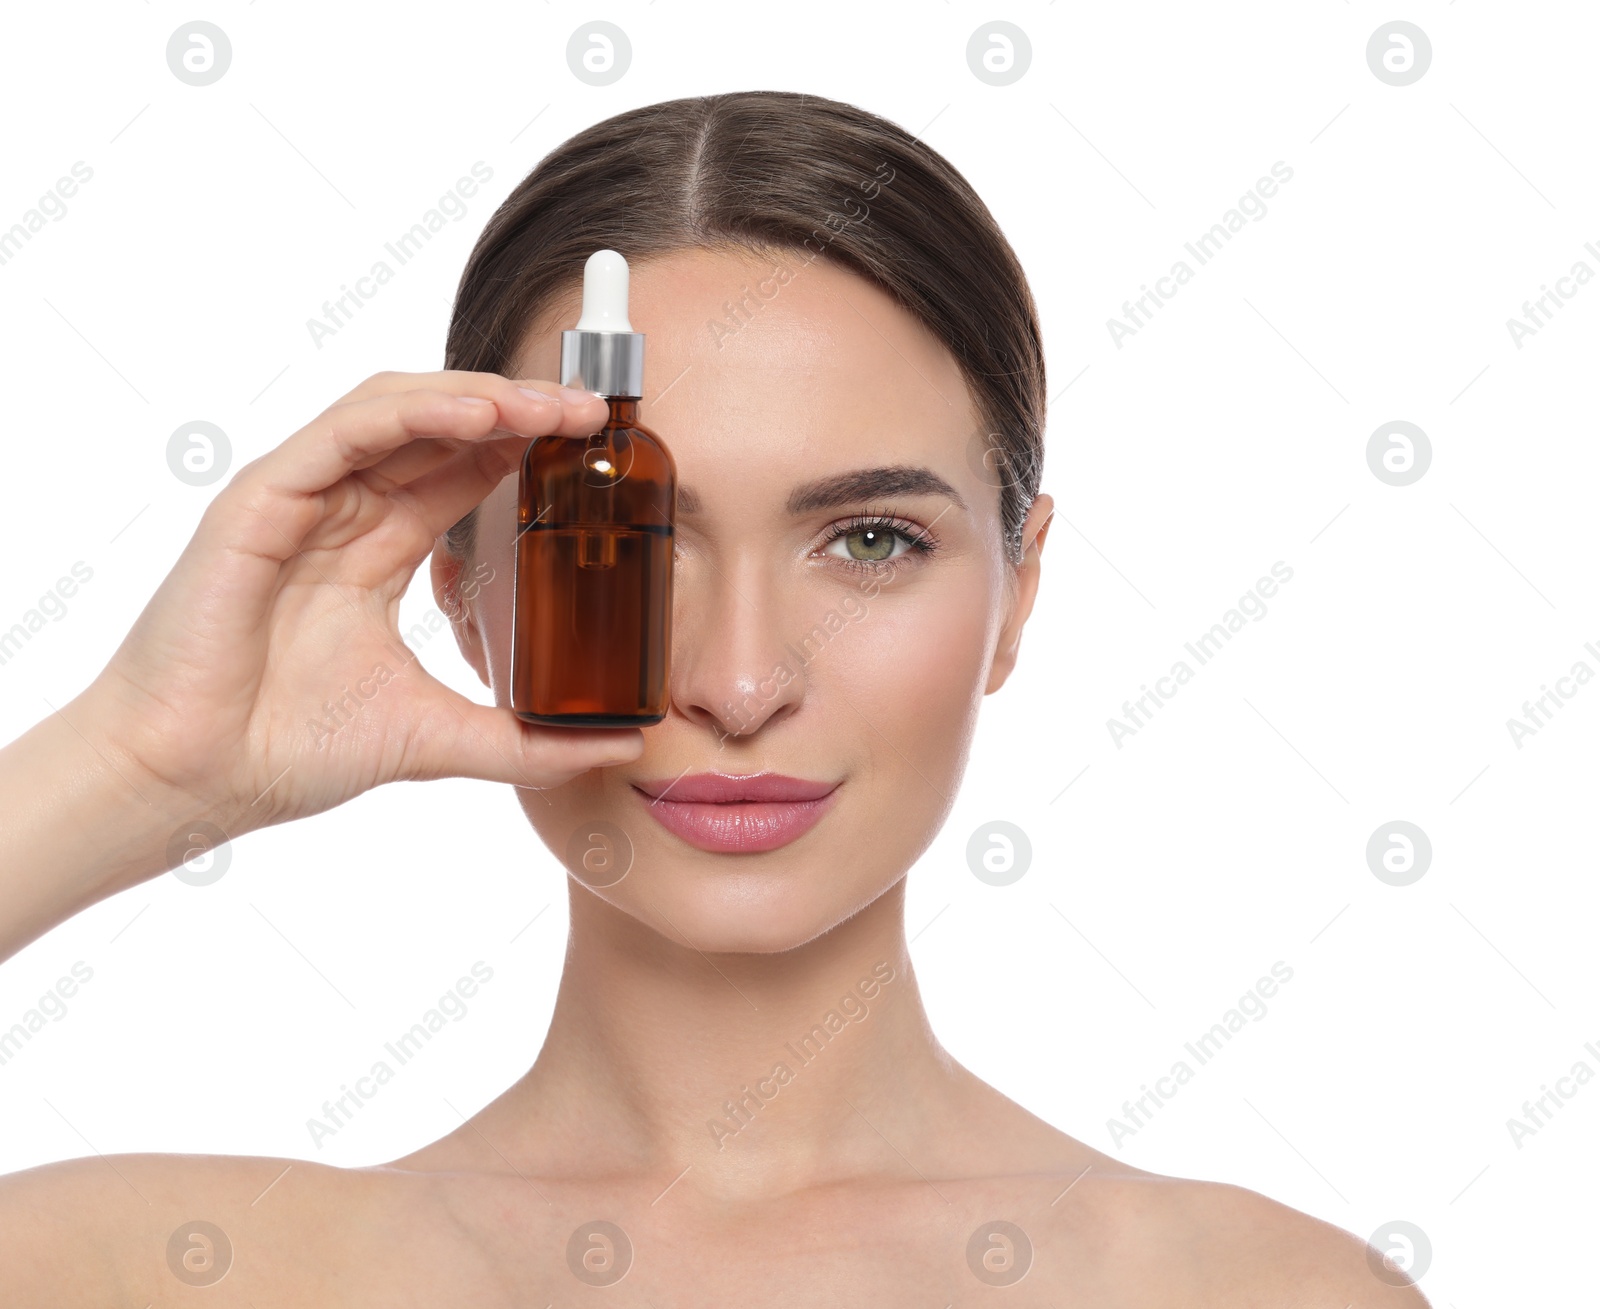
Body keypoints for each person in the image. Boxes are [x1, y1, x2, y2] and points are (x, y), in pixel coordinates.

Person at [0, 90, 1428, 1304]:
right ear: (461, 592)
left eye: (871, 541)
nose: (741, 681)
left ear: (1020, 592)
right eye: (619, 546)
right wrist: (141, 768)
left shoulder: (1257, 1290)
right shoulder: (135, 1269)